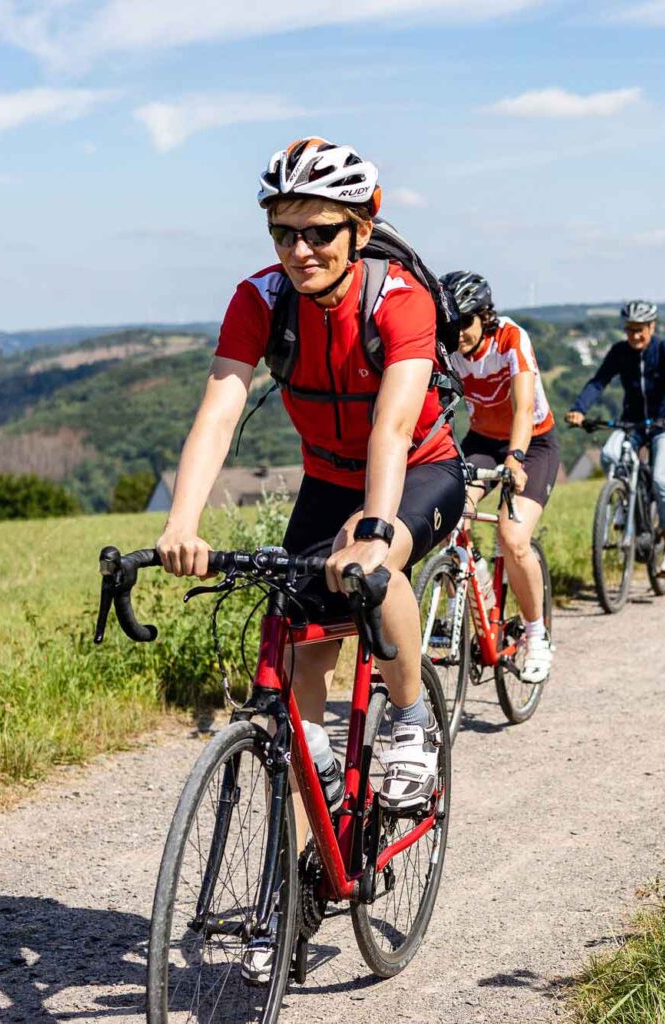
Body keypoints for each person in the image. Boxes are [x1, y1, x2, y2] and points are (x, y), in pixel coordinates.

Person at [154, 140, 465, 977]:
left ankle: (407, 722)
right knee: (297, 652)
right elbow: (218, 412)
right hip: (326, 482)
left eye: (319, 231)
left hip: (420, 468)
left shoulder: (399, 300)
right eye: (282, 231)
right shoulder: (259, 301)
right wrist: (182, 524)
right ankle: (307, 823)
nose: (299, 250)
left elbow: (395, 426)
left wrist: (373, 525)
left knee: (377, 567)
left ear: (361, 227)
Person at [441, 270, 556, 683]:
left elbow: (524, 408)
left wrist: (516, 459)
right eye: (451, 324)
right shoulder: (449, 345)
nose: (459, 335)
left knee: (512, 537)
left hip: (533, 444)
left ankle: (536, 634)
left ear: (484, 315)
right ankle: (472, 589)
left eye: (466, 323)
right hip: (483, 440)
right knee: (449, 517)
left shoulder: (510, 338)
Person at [564, 300, 665, 576]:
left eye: (640, 330)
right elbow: (599, 381)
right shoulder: (620, 352)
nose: (634, 336)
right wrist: (579, 408)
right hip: (632, 422)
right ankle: (624, 503)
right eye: (630, 330)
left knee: (660, 479)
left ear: (652, 327)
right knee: (610, 455)